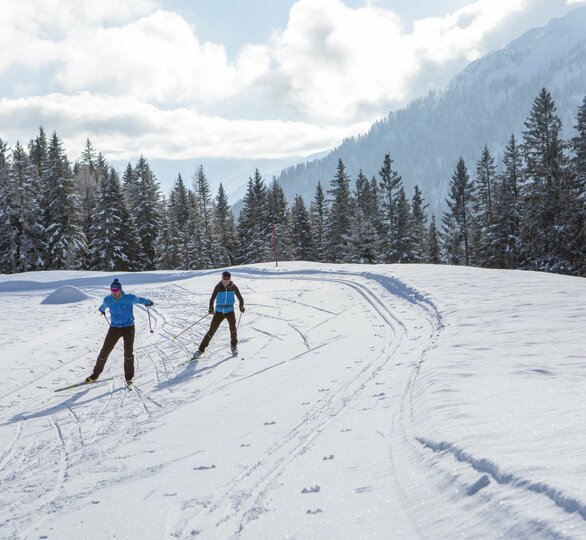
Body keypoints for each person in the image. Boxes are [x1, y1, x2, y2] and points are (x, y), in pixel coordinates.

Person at [86, 278, 153, 386]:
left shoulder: (129, 298)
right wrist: (101, 310)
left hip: (129, 327)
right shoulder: (108, 300)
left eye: (116, 291)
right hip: (114, 328)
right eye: (112, 291)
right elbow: (103, 307)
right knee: (105, 351)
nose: (114, 294)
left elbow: (140, 299)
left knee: (128, 353)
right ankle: (95, 375)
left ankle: (129, 378)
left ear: (120, 290)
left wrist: (148, 302)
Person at [192, 271, 245, 360]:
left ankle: (234, 347)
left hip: (230, 311)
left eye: (228, 279)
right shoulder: (218, 287)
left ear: (230, 279)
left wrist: (241, 306)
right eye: (225, 278)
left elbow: (240, 298)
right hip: (219, 312)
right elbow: (212, 298)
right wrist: (211, 308)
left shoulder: (233, 287)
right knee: (211, 331)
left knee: (233, 330)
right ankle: (201, 350)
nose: (226, 280)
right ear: (222, 278)